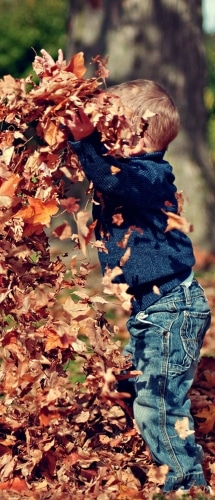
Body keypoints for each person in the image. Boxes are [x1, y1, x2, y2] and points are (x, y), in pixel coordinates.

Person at [67, 79, 212, 495]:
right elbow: (103, 174)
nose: (102, 137)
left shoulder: (149, 175)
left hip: (172, 309)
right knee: (131, 383)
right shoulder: (131, 173)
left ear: (134, 135)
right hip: (154, 310)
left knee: (160, 404)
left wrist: (86, 143)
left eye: (109, 130)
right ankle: (138, 448)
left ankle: (186, 482)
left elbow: (111, 180)